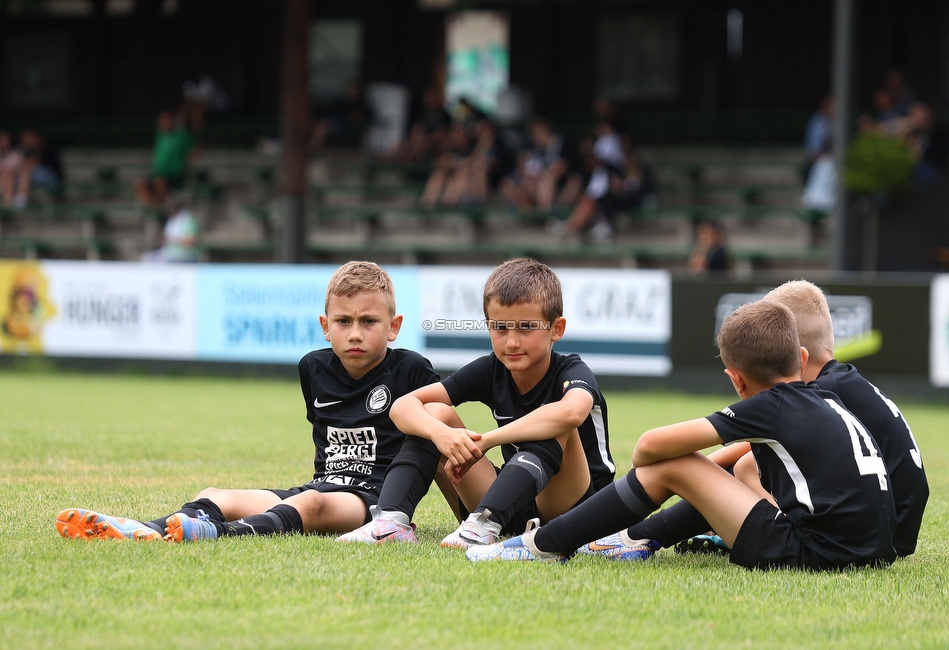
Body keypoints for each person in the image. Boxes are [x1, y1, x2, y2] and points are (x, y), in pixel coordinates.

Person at [467, 299, 898, 571]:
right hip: (871, 552)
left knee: (677, 464)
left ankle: (544, 544)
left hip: (813, 554)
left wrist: (681, 473)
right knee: (744, 463)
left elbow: (647, 448)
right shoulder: (826, 398)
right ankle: (635, 539)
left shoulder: (772, 405)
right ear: (800, 358)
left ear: (736, 380)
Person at [56, 261, 441, 543]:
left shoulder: (410, 369)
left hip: (368, 500)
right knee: (213, 494)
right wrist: (322, 481)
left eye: (369, 322)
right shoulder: (313, 367)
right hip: (322, 484)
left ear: (394, 326)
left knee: (311, 506)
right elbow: (322, 438)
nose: (354, 333)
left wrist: (402, 508)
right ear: (326, 327)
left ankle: (216, 534)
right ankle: (145, 529)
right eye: (343, 321)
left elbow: (436, 435)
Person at [579, 279, 928, 561]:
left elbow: (729, 454)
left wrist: (690, 477)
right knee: (747, 466)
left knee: (735, 467)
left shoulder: (816, 395)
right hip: (880, 527)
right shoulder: (840, 383)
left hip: (874, 532)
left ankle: (641, 536)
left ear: (793, 350)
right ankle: (679, 531)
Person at [337, 257, 615, 548]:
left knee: (553, 421)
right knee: (434, 413)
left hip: (581, 510)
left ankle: (483, 524)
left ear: (556, 329)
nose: (512, 342)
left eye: (526, 327)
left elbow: (571, 412)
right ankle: (390, 522)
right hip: (517, 505)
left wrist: (487, 441)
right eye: (500, 328)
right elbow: (402, 407)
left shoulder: (572, 371)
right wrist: (442, 435)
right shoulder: (491, 369)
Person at [134, 109, 199, 209]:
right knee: (140, 184)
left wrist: (186, 161)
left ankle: (164, 207)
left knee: (160, 184)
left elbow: (196, 148)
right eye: (162, 120)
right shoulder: (160, 136)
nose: (163, 123)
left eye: (166, 120)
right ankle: (153, 207)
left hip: (175, 175)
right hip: (159, 174)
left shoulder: (182, 136)